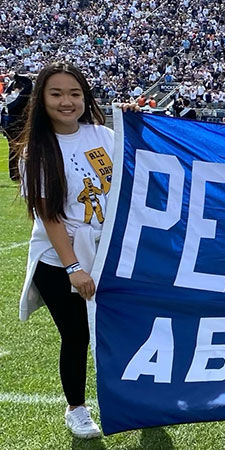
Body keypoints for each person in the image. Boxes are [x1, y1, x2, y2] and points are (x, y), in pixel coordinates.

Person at [16, 61, 137, 439]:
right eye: (56, 94)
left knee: (120, 328)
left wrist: (136, 123)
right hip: (60, 261)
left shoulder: (102, 134)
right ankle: (76, 408)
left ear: (85, 96)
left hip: (106, 251)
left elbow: (142, 165)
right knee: (76, 334)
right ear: (42, 99)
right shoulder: (36, 151)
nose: (66, 101)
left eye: (74, 93)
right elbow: (50, 217)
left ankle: (131, 396)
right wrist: (73, 268)